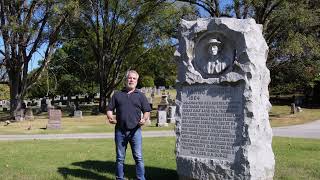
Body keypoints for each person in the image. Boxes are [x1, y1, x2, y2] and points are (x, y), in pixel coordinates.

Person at [107, 70, 151, 180]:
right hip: (120, 131)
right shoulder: (117, 95)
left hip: (135, 131)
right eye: (129, 78)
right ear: (126, 80)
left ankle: (140, 178)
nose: (131, 80)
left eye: (134, 78)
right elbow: (109, 109)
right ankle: (120, 178)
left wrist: (144, 119)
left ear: (137, 81)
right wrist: (110, 117)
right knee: (120, 158)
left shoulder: (140, 96)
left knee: (138, 157)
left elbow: (147, 111)